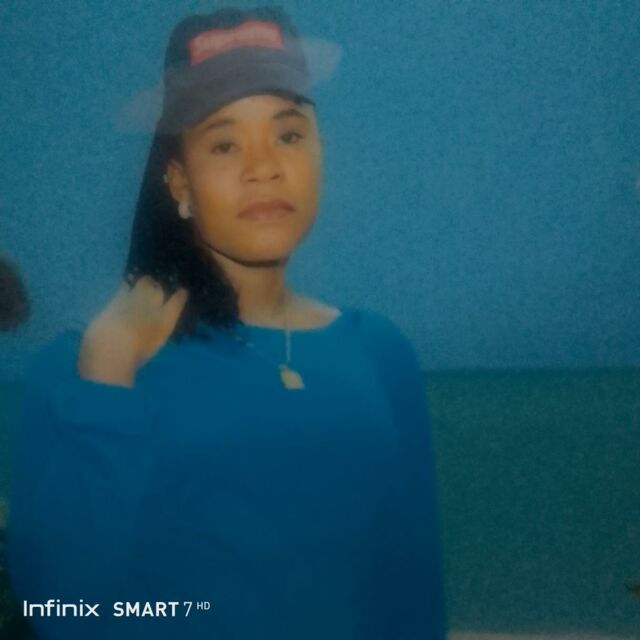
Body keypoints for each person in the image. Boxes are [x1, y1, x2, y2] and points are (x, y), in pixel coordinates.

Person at [6, 6, 448, 639]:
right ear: (178, 181)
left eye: (288, 134)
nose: (263, 166)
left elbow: (412, 596)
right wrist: (108, 373)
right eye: (223, 143)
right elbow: (60, 611)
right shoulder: (84, 368)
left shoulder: (380, 352)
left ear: (320, 152)